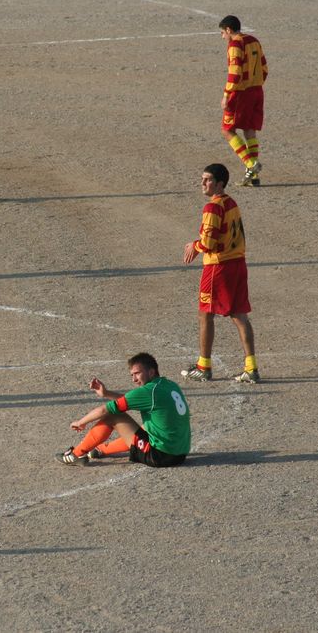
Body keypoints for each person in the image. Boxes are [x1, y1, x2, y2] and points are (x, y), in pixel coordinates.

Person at [181, 163, 259, 383]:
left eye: (207, 180)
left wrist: (194, 246)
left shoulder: (212, 207)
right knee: (239, 315)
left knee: (205, 314)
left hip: (218, 267)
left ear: (220, 183)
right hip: (238, 264)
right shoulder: (231, 203)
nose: (203, 183)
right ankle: (251, 368)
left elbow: (209, 242)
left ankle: (204, 366)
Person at [57, 353, 191, 467]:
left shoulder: (148, 392)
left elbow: (104, 410)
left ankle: (76, 454)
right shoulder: (169, 385)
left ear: (151, 372)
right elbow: (132, 400)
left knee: (113, 416)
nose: (134, 379)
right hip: (180, 454)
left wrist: (81, 422)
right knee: (146, 428)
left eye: (137, 373)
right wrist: (106, 393)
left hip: (160, 456)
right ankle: (100, 450)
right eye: (132, 375)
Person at [218, 15, 267, 187]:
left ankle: (250, 163)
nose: (223, 37)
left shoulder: (235, 44)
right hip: (257, 91)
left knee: (227, 130)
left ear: (229, 30)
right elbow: (264, 67)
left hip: (241, 93)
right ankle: (253, 177)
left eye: (222, 33)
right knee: (249, 130)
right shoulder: (254, 40)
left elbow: (235, 73)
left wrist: (226, 95)